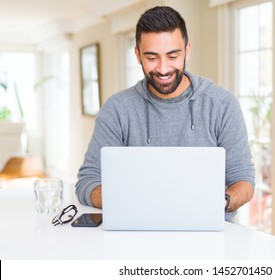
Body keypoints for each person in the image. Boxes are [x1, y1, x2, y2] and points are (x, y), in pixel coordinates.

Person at [76, 6, 255, 222]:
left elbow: (244, 181)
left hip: (207, 233)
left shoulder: (222, 104)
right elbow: (88, 181)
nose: (163, 69)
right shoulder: (117, 109)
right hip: (137, 230)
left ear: (187, 51)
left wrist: (221, 202)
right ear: (137, 55)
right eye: (152, 57)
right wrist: (132, 201)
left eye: (173, 56)